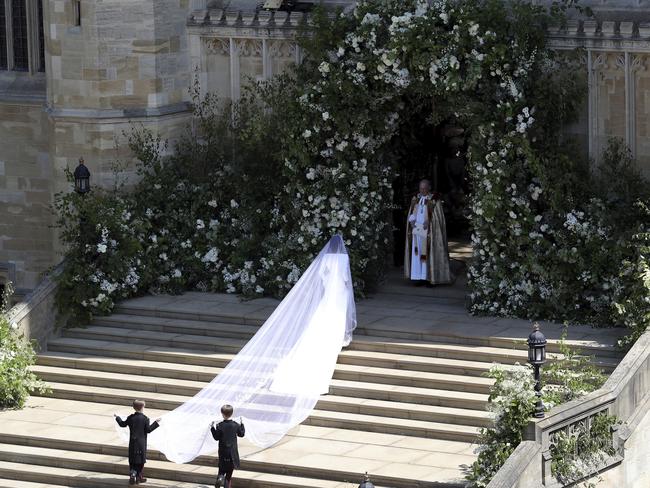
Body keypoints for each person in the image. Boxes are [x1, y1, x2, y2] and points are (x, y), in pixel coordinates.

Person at [404, 179, 452, 286]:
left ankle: (430, 278)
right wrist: (411, 221)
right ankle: (420, 277)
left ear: (429, 188)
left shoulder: (434, 200)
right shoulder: (415, 199)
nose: (422, 190)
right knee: (418, 254)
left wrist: (429, 223)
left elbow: (438, 218)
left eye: (425, 188)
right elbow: (411, 213)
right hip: (417, 231)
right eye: (421, 188)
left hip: (429, 232)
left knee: (427, 253)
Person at [114, 400, 161, 485]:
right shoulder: (145, 419)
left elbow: (122, 424)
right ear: (142, 408)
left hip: (132, 442)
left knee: (132, 459)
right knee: (140, 460)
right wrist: (156, 423)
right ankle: (137, 476)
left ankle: (134, 475)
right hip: (141, 443)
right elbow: (148, 430)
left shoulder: (131, 418)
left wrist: (117, 417)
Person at [210, 404, 246, 488]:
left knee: (222, 470)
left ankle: (220, 478)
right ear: (232, 413)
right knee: (229, 476)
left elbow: (216, 437)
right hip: (232, 453)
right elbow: (241, 434)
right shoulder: (235, 425)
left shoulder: (220, 425)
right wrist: (242, 424)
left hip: (223, 453)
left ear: (222, 414)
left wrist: (212, 427)